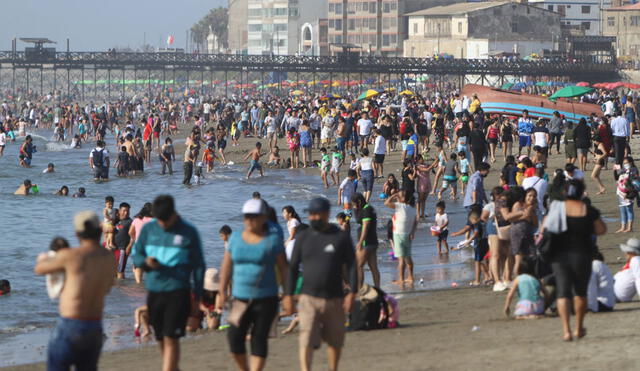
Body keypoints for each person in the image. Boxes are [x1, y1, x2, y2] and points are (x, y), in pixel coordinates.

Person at [34, 211, 115, 370]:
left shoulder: (70, 255)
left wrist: (45, 257)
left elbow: (39, 269)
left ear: (77, 234)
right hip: (95, 326)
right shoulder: (110, 258)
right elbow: (107, 288)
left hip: (71, 324)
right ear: (100, 230)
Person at [133, 195, 206, 371]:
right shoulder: (149, 229)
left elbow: (198, 266)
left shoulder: (188, 231)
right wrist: (146, 263)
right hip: (154, 290)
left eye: (166, 220)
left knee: (171, 337)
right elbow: (137, 254)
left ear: (174, 213)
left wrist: (197, 297)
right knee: (160, 337)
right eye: (160, 220)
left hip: (178, 290)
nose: (163, 224)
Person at [284, 197, 357, 371]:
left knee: (335, 342)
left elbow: (353, 266)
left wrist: (353, 293)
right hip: (308, 298)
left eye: (318, 214)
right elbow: (292, 268)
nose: (314, 218)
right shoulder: (303, 237)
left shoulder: (340, 237)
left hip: (335, 298)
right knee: (306, 339)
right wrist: (287, 295)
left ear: (326, 214)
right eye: (311, 215)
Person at [216, 199, 287, 371]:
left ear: (263, 217)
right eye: (247, 217)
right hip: (240, 299)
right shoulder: (235, 239)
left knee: (259, 339)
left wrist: (288, 295)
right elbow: (226, 266)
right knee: (234, 338)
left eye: (254, 217)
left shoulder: (273, 240)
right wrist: (221, 292)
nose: (249, 220)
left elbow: (284, 269)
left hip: (267, 299)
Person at [542, 179, 606, 341]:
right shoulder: (587, 209)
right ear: (581, 192)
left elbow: (544, 228)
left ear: (565, 192)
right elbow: (601, 230)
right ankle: (578, 327)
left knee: (563, 292)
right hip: (581, 255)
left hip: (559, 256)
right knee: (580, 292)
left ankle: (566, 330)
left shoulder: (557, 209)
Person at [385, 191, 418, 285]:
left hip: (399, 234)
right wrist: (413, 232)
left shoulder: (400, 206)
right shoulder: (412, 209)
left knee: (401, 259)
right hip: (407, 234)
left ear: (404, 199)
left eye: (400, 196)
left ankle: (401, 279)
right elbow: (415, 221)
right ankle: (411, 277)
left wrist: (393, 196)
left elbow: (386, 203)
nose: (398, 197)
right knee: (408, 257)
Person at [451, 206, 489, 286]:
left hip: (478, 244)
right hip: (485, 243)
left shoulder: (476, 224)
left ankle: (477, 280)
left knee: (477, 262)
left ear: (474, 219)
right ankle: (487, 277)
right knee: (483, 261)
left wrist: (468, 240)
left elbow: (475, 233)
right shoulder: (483, 223)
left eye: (471, 221)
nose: (470, 222)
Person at [351, 193, 380, 289]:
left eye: (354, 204)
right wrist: (355, 210)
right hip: (372, 241)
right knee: (373, 267)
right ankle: (377, 288)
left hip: (366, 242)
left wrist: (360, 242)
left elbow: (366, 227)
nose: (353, 206)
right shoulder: (366, 208)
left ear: (359, 201)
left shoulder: (367, 210)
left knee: (358, 266)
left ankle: (359, 289)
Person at [128, 202, 154, 284]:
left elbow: (130, 232)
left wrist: (135, 238)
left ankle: (139, 285)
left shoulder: (136, 220)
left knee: (137, 266)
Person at [613, 238, 640, 303]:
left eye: (627, 251)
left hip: (613, 294)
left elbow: (639, 280)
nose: (625, 253)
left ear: (631, 252)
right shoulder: (634, 261)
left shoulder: (636, 260)